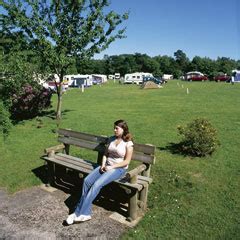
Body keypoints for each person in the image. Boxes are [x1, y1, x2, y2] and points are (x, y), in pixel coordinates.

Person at [66, 119, 134, 225]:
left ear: (123, 129)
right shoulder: (111, 139)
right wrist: (103, 165)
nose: (114, 130)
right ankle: (85, 213)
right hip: (106, 166)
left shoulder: (128, 143)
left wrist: (112, 167)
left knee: (97, 185)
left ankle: (77, 213)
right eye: (114, 127)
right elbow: (106, 154)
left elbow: (127, 161)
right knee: (87, 181)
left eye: (117, 128)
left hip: (119, 169)